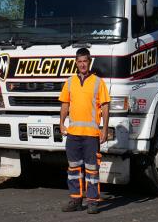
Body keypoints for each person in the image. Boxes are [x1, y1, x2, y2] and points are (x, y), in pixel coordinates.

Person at [58, 48, 111, 214]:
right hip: (73, 134)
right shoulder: (70, 82)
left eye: (85, 61)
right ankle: (76, 200)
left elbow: (105, 106)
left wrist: (104, 128)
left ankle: (92, 201)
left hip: (90, 135)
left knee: (92, 169)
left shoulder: (98, 82)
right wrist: (61, 123)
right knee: (73, 169)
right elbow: (65, 104)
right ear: (76, 62)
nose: (82, 64)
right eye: (79, 61)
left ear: (89, 62)